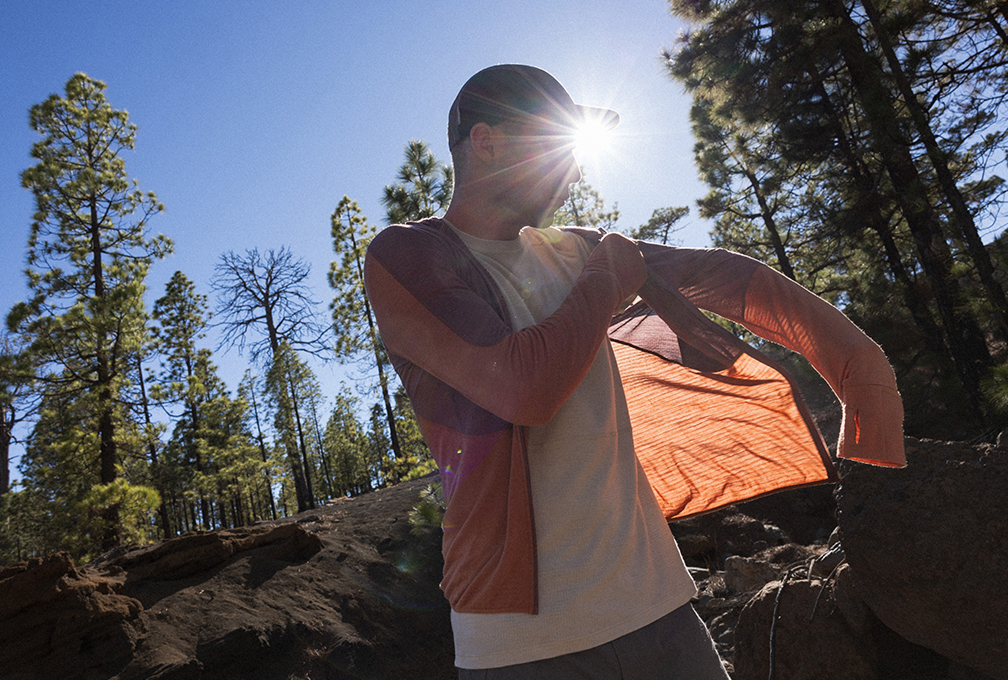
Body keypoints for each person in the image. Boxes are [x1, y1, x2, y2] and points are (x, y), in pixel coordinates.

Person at [364, 64, 905, 679]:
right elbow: (523, 388)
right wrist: (608, 278)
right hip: (520, 646)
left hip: (660, 612)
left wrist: (861, 369)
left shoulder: (576, 248)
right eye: (556, 146)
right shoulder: (407, 255)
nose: (574, 170)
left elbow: (726, 277)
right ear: (486, 142)